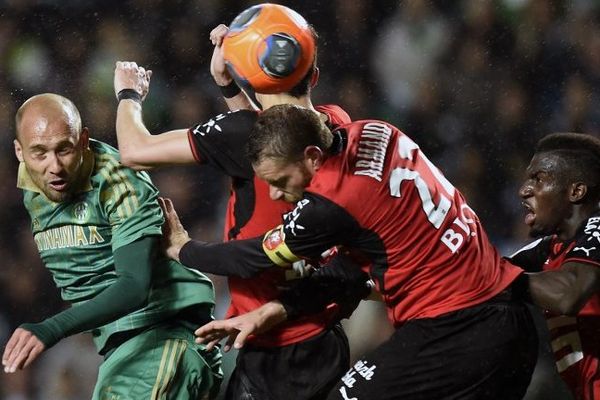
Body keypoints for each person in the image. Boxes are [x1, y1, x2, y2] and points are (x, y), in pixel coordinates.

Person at [162, 103, 539, 400]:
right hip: (509, 321)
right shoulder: (376, 129)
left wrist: (185, 250)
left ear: (312, 157)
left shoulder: (330, 204)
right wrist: (277, 310)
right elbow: (351, 269)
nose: (276, 194)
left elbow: (252, 257)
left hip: (455, 327)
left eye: (280, 181)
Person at [113, 11, 367, 400]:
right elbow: (267, 132)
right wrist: (230, 85)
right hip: (325, 334)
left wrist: (129, 95)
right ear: (313, 76)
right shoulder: (334, 122)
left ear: (253, 75)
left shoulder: (241, 135)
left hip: (273, 352)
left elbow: (134, 150)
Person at [1, 93, 222, 399]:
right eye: (39, 153)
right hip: (120, 348)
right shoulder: (31, 187)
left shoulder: (117, 179)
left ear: (83, 140)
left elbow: (134, 285)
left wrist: (50, 328)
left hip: (164, 335)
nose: (55, 166)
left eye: (64, 149)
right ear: (19, 152)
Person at [506, 132, 600, 400]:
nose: (524, 190)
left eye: (538, 179)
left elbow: (568, 294)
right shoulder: (549, 249)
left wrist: (498, 281)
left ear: (576, 191)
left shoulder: (599, 228)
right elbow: (478, 273)